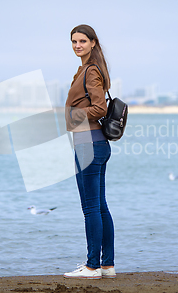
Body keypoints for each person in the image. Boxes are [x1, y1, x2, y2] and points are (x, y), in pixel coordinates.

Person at [63, 24, 116, 279]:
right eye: (74, 41)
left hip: (89, 145)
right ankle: (107, 265)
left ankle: (92, 266)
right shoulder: (85, 69)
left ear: (93, 43)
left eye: (82, 41)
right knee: (100, 206)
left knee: (91, 208)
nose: (77, 45)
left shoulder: (91, 71)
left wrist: (74, 116)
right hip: (94, 144)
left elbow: (100, 109)